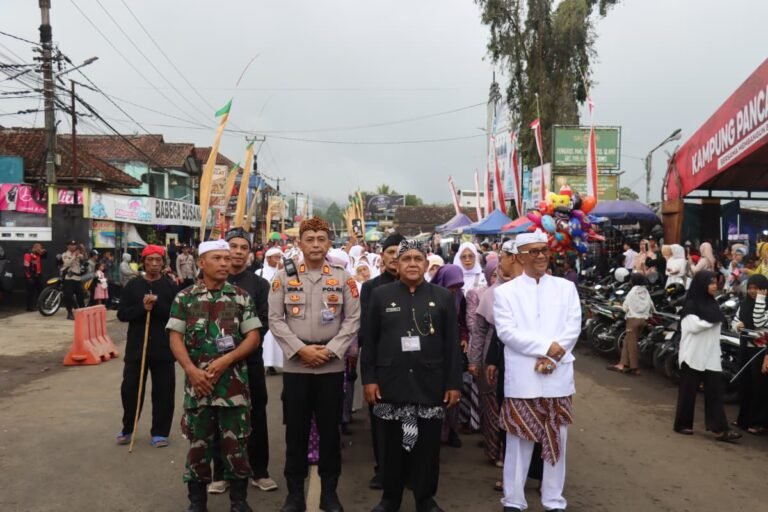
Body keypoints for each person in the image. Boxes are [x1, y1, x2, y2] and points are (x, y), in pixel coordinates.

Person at [362, 240, 463, 512]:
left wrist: (454, 383)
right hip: (389, 383)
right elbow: (368, 342)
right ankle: (390, 498)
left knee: (427, 447)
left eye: (418, 258)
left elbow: (452, 344)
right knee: (391, 447)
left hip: (429, 383)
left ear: (426, 264)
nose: (412, 264)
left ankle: (425, 498)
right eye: (406, 259)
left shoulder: (442, 296)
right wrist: (369, 379)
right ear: (397, 264)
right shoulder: (381, 295)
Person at [268, 217, 361, 512]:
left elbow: (353, 319)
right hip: (297, 367)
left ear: (328, 243)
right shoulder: (283, 277)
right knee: (294, 432)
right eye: (310, 239)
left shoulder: (343, 277)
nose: (316, 244)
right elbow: (275, 319)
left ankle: (329, 493)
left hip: (331, 367)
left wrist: (332, 350)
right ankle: (294, 494)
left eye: (322, 239)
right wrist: (300, 350)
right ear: (300, 244)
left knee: (330, 433)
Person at [167, 239, 263, 512]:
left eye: (226, 258)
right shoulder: (185, 298)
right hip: (198, 390)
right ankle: (197, 503)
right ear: (201, 263)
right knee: (198, 450)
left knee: (236, 449)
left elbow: (253, 337)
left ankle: (239, 503)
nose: (225, 263)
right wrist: (191, 371)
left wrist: (226, 361)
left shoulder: (241, 297)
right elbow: (176, 339)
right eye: (218, 258)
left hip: (232, 391)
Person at [494, 229, 581, 512]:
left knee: (557, 438)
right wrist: (548, 348)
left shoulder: (565, 287)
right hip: (523, 376)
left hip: (558, 376)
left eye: (544, 250)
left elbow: (573, 326)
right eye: (534, 251)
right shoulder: (505, 293)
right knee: (519, 440)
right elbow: (508, 332)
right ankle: (514, 500)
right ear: (520, 256)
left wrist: (554, 357)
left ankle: (554, 500)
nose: (541, 255)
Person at [207, 229, 278, 495]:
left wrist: (238, 347)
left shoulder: (259, 286)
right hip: (216, 365)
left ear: (250, 252)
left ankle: (259, 471)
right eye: (232, 246)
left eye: (243, 247)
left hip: (250, 362)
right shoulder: (209, 282)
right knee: (218, 416)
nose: (237, 252)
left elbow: (265, 322)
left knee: (255, 415)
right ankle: (220, 473)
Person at [116, 245, 178, 448]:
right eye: (149, 260)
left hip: (163, 348)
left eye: (157, 260)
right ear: (143, 261)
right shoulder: (133, 286)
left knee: (164, 391)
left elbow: (177, 315)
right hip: (136, 347)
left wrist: (157, 305)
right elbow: (122, 314)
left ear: (163, 262)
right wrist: (142, 308)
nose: (153, 264)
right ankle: (127, 428)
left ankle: (160, 432)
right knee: (130, 389)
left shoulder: (169, 286)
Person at [673, 271, 741, 443]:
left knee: (715, 393)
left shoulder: (713, 305)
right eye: (711, 283)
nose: (714, 286)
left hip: (710, 355)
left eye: (715, 283)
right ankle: (682, 424)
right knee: (688, 393)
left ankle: (720, 429)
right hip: (693, 354)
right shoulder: (691, 305)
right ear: (702, 285)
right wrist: (713, 320)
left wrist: (716, 318)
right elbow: (693, 326)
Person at [360, 232, 405, 490]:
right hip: (380, 364)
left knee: (409, 419)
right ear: (382, 256)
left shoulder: (420, 286)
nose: (395, 258)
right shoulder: (371, 288)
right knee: (382, 420)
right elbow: (366, 330)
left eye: (401, 253)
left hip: (411, 367)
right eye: (390, 252)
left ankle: (408, 470)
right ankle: (383, 470)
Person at [732, 274, 768, 434]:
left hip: (762, 350)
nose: (753, 291)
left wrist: (761, 299)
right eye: (751, 288)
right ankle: (743, 419)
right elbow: (735, 319)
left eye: (757, 288)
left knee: (759, 386)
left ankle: (758, 422)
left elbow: (759, 322)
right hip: (746, 347)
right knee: (744, 383)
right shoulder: (744, 304)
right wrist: (737, 325)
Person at [608, 273, 655, 376]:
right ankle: (622, 364)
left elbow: (625, 307)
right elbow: (652, 305)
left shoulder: (632, 292)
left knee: (632, 344)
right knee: (626, 341)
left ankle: (635, 368)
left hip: (633, 319)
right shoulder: (645, 291)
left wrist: (622, 308)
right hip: (644, 320)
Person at [61, 240, 86, 320]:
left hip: (77, 278)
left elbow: (84, 258)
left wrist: (83, 251)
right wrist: (74, 256)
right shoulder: (65, 254)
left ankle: (82, 312)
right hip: (69, 278)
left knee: (80, 296)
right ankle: (70, 313)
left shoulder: (78, 254)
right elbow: (67, 263)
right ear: (68, 246)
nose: (73, 246)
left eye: (74, 245)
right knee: (68, 296)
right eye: (71, 245)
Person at [23, 243, 45, 311]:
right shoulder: (28, 254)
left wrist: (43, 251)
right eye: (39, 248)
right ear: (35, 248)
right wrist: (29, 277)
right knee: (30, 292)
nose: (40, 250)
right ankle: (29, 307)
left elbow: (45, 254)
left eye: (41, 248)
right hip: (31, 275)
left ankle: (40, 306)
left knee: (41, 291)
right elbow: (26, 267)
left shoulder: (38, 254)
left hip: (38, 275)